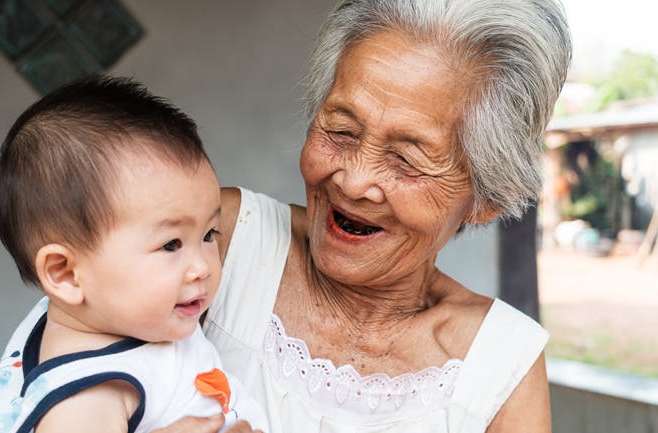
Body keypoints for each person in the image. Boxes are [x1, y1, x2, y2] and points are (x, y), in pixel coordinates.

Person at [202, 0, 572, 432]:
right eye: (341, 131)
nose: (353, 181)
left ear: (486, 198)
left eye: (405, 160)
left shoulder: (502, 364)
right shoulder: (218, 242)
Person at [0, 77, 267, 433]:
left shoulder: (116, 319)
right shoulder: (86, 400)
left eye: (209, 235)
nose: (202, 267)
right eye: (171, 245)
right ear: (66, 275)